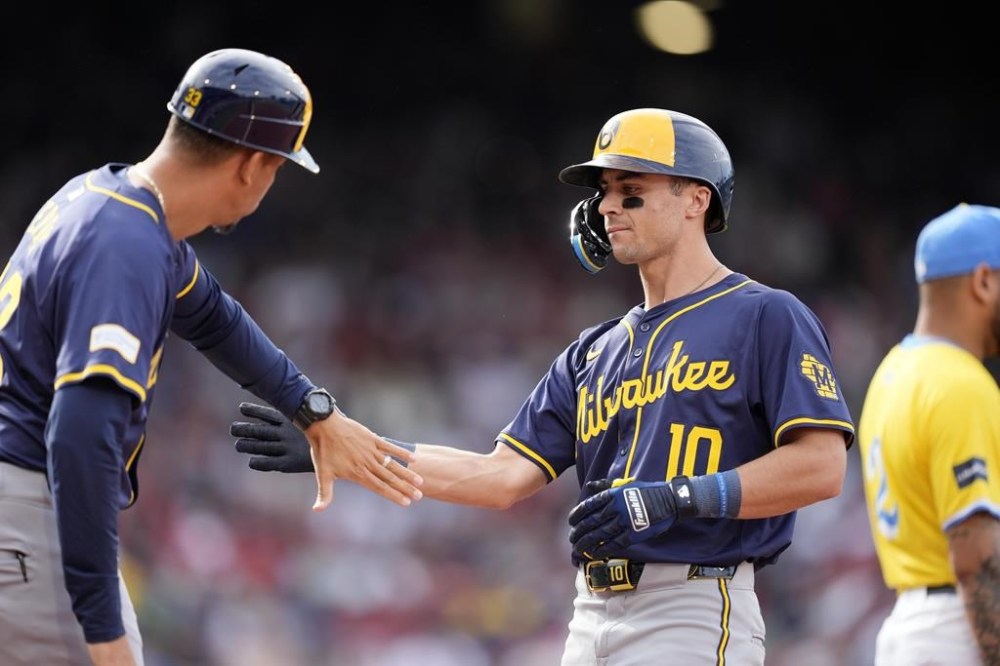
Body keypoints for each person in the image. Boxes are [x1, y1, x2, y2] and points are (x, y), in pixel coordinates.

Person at [230, 107, 855, 664]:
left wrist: (675, 498)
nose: (608, 207)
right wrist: (352, 447)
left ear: (696, 200)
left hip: (692, 606)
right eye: (604, 193)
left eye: (631, 191)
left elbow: (822, 466)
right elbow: (499, 477)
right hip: (591, 613)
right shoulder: (593, 350)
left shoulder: (764, 314)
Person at [0, 48, 423, 666]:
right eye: (279, 166)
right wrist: (103, 626)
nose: (273, 181)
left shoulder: (110, 201)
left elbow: (214, 317)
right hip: (25, 514)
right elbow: (79, 432)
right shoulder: (127, 242)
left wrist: (314, 411)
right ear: (251, 165)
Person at [858, 203, 1000, 665]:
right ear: (983, 281)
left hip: (910, 624)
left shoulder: (892, 374)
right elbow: (976, 557)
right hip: (959, 630)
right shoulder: (959, 382)